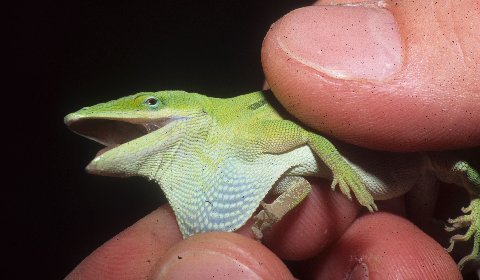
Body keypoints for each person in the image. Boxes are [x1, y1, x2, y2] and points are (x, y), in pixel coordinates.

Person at [66, 1, 479, 279]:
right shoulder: (241, 142)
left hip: (402, 153)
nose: (147, 111)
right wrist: (273, 213)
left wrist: (341, 171)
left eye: (152, 103)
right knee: (421, 237)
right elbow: (298, 182)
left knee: (452, 166)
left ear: (194, 108)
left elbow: (305, 137)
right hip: (388, 178)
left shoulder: (245, 128)